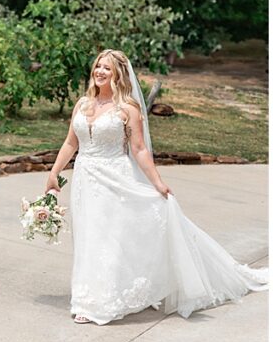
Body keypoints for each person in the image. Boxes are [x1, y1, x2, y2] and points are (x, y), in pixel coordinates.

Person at [46, 49, 267, 325]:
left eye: (107, 68)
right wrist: (54, 172)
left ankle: (101, 301)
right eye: (98, 66)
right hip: (84, 180)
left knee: (110, 238)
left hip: (115, 179)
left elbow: (139, 150)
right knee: (88, 237)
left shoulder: (127, 109)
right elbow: (71, 143)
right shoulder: (83, 104)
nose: (100, 71)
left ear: (118, 75)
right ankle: (86, 296)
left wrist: (158, 183)